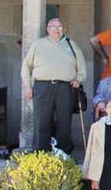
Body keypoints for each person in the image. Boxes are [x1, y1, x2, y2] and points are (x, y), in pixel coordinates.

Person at [21, 17, 86, 152]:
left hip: (65, 87)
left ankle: (64, 155)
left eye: (59, 27)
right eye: (53, 27)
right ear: (48, 29)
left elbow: (81, 66)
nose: (56, 30)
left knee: (64, 121)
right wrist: (27, 86)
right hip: (42, 86)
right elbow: (26, 67)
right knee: (41, 121)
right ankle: (40, 154)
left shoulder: (71, 45)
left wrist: (78, 80)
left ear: (64, 29)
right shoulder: (38, 44)